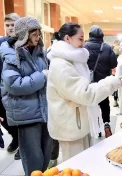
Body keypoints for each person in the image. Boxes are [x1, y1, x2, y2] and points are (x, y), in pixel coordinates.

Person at [46, 23, 122, 161]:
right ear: (67, 38)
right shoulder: (62, 66)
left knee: (83, 162)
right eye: (80, 38)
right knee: (75, 166)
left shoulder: (73, 59)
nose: (83, 43)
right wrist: (113, 82)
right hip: (70, 126)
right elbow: (86, 94)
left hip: (78, 121)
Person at [1, 17, 52, 176]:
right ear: (24, 35)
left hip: (45, 111)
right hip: (26, 114)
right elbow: (14, 84)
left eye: (39, 34)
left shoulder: (39, 53)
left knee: (46, 155)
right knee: (32, 158)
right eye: (34, 34)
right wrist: (42, 76)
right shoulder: (11, 55)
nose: (38, 38)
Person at [83, 25, 117, 138]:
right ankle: (106, 124)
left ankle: (96, 129)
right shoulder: (107, 47)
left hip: (88, 82)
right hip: (103, 82)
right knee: (104, 103)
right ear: (102, 36)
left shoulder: (84, 47)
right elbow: (114, 64)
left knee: (91, 105)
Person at [0, 12, 21, 160]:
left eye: (13, 25)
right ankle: (15, 137)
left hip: (20, 85)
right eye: (7, 25)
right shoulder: (1, 43)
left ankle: (22, 143)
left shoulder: (24, 43)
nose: (10, 28)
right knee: (4, 116)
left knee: (21, 117)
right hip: (3, 85)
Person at [111, 39, 121, 107]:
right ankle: (117, 100)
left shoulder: (111, 52)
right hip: (119, 73)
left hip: (113, 72)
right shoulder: (120, 56)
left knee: (115, 87)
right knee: (119, 87)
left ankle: (115, 101)